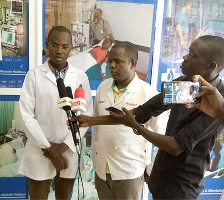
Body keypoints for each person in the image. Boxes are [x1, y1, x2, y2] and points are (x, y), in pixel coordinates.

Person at [71, 35, 224, 199]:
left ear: (211, 66)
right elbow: (141, 113)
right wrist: (92, 120)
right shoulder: (186, 85)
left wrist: (136, 127)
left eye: (192, 54)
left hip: (182, 187)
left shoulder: (218, 103)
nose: (185, 57)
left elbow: (175, 146)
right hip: (159, 179)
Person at [18, 26, 93, 200]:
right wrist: (49, 148)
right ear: (47, 45)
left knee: (63, 196)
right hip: (40, 149)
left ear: (71, 48)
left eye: (65, 46)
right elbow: (26, 116)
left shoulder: (80, 77)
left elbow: (86, 115)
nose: (59, 51)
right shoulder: (34, 76)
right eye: (55, 45)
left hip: (68, 149)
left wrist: (63, 147)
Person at [91, 41, 168, 199]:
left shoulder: (148, 93)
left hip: (129, 173)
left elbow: (164, 136)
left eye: (118, 61)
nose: (112, 65)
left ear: (133, 64)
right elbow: (97, 126)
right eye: (110, 60)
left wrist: (151, 170)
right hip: (101, 171)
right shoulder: (103, 87)